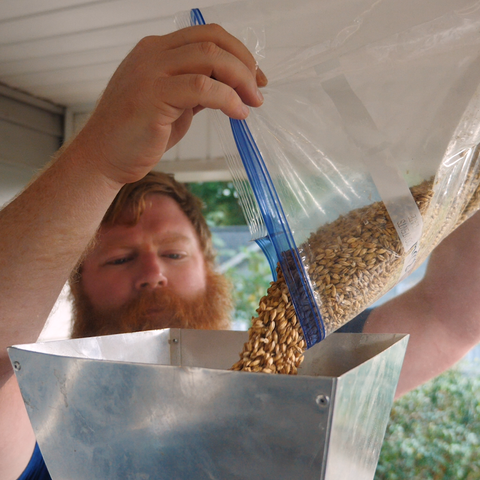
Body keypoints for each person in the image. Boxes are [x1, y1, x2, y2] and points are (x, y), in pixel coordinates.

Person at [1, 23, 480, 480]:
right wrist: (97, 161)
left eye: (174, 254)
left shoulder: (295, 364)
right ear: (73, 281)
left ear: (210, 268)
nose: (152, 273)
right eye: (120, 258)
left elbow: (447, 314)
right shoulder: (40, 408)